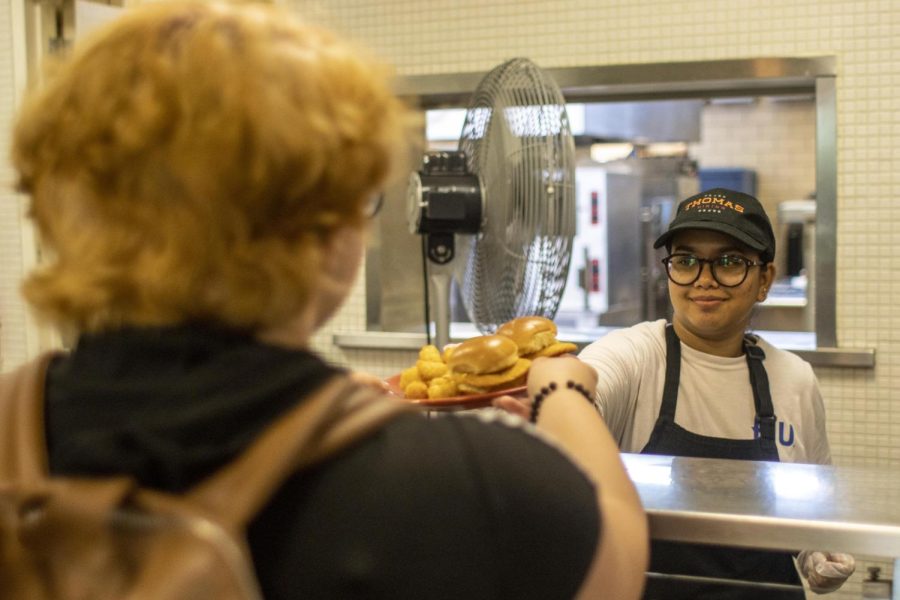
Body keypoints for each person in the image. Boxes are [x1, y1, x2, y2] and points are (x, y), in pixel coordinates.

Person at [7, 2, 648, 599]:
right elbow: (616, 551)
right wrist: (561, 389)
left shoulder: (13, 427)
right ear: (329, 230)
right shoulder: (456, 486)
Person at [575, 188, 855, 598]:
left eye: (729, 262)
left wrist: (819, 554)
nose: (704, 279)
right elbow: (584, 389)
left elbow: (815, 513)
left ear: (764, 280)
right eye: (686, 261)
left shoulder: (794, 379)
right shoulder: (636, 356)